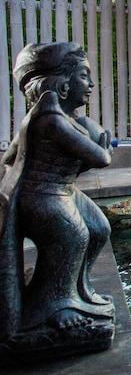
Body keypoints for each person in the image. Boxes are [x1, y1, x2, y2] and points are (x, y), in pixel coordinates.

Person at [0, 42, 115, 341]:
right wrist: (103, 147)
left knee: (98, 228)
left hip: (62, 191)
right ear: (62, 84)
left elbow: (71, 164)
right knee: (72, 238)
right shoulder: (49, 120)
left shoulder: (64, 119)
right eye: (84, 76)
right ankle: (53, 307)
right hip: (42, 196)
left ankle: (77, 290)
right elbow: (100, 159)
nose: (91, 84)